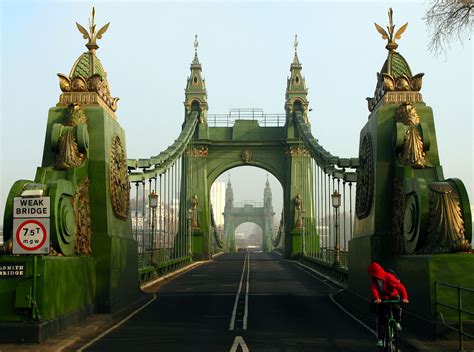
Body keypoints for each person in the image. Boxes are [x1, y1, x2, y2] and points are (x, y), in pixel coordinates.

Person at [368, 262, 409, 348]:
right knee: (381, 318)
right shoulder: (374, 279)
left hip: (393, 296)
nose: (372, 275)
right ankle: (380, 339)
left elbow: (401, 287)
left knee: (396, 308)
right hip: (382, 298)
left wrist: (404, 297)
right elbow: (374, 288)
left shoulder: (388, 277)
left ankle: (397, 321)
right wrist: (377, 298)